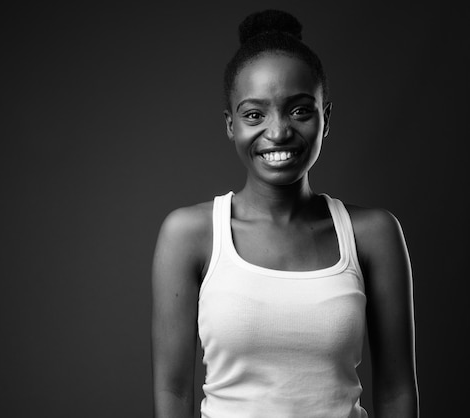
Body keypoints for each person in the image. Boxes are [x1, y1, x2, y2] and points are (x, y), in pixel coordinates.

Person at [151, 9, 419, 418]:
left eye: (299, 110)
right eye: (254, 114)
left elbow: (398, 391)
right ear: (231, 124)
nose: (277, 132)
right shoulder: (190, 235)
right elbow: (173, 393)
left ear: (325, 117)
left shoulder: (373, 233)